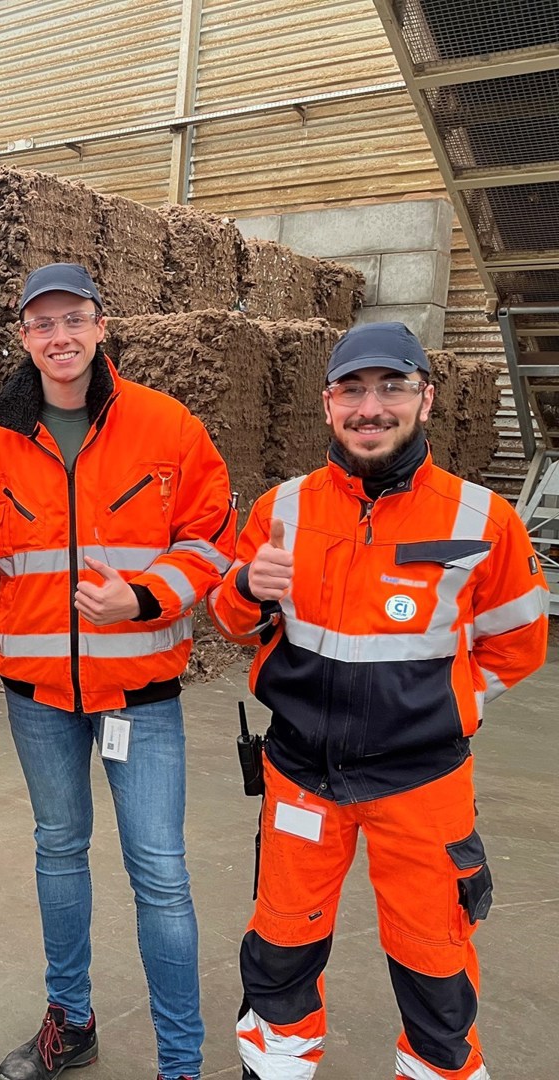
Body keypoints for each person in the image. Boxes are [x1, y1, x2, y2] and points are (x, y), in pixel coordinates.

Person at [207, 322, 547, 1080]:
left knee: (435, 961)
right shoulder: (282, 508)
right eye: (352, 390)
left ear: (425, 399)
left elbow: (519, 643)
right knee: (281, 944)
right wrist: (244, 588)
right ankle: (277, 1064)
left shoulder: (480, 520)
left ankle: (437, 1069)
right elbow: (232, 622)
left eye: (392, 387)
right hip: (300, 774)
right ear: (328, 404)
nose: (371, 408)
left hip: (422, 784)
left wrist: (444, 705)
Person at [0, 263, 235, 1080]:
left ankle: (181, 1063)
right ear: (24, 338)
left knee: (161, 875)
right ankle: (70, 1022)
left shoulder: (167, 427)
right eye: (42, 324)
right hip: (38, 700)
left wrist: (142, 598)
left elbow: (211, 540)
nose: (60, 336)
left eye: (74, 319)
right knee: (59, 851)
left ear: (102, 327)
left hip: (140, 697)